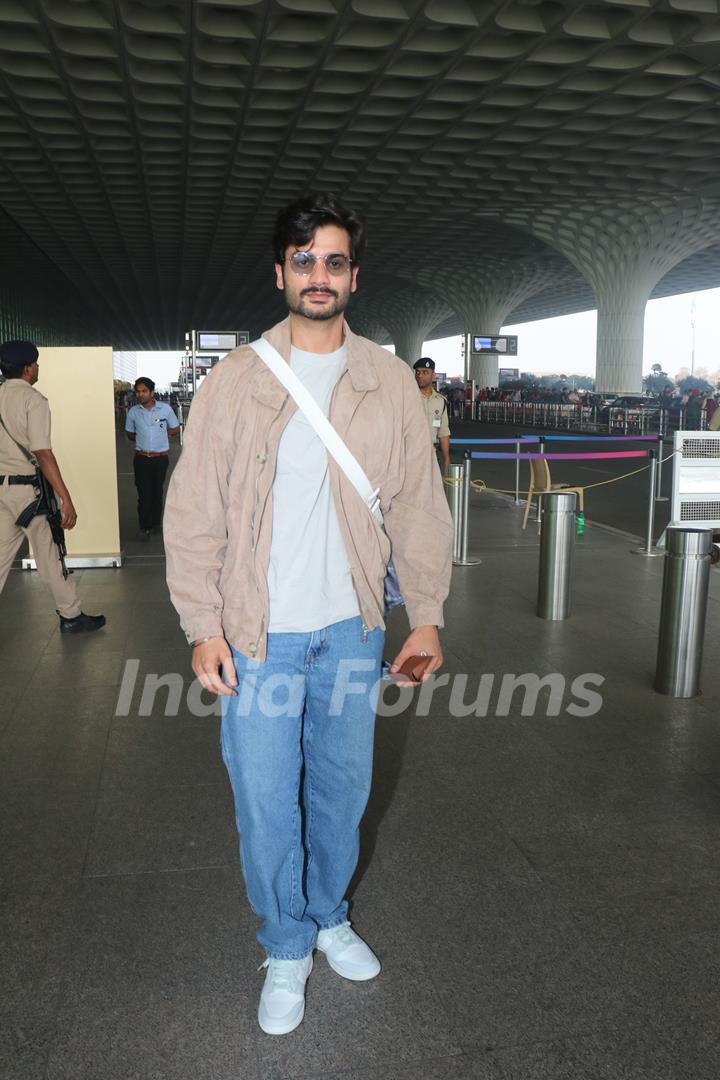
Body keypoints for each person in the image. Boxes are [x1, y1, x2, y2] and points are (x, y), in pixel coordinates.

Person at [164, 192, 452, 1037]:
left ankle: (327, 914)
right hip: (259, 634)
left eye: (333, 261)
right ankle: (285, 943)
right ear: (280, 271)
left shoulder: (388, 380)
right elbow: (194, 513)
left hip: (353, 628)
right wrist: (201, 625)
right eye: (304, 260)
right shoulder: (236, 380)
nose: (318, 275)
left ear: (353, 277)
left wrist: (424, 614)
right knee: (264, 799)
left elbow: (417, 506)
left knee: (341, 790)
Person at [0, 340, 105, 633]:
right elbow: (43, 453)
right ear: (27, 368)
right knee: (49, 554)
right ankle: (71, 615)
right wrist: (65, 497)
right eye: (35, 364)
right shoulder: (33, 400)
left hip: (2, 491)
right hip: (30, 495)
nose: (37, 369)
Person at [125, 376, 179, 540]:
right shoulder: (134, 412)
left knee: (157, 491)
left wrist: (163, 436)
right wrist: (144, 438)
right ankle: (145, 527)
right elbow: (130, 434)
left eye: (144, 391)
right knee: (144, 494)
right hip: (142, 459)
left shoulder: (165, 409)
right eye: (138, 392)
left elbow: (175, 428)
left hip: (160, 459)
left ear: (152, 392)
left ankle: (156, 524)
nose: (140, 395)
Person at [413, 357, 451, 470]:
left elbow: (443, 432)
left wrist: (446, 458)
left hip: (431, 456)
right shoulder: (408, 397)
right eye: (418, 372)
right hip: (410, 455)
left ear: (433, 375)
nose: (420, 375)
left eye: (425, 372)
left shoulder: (441, 401)